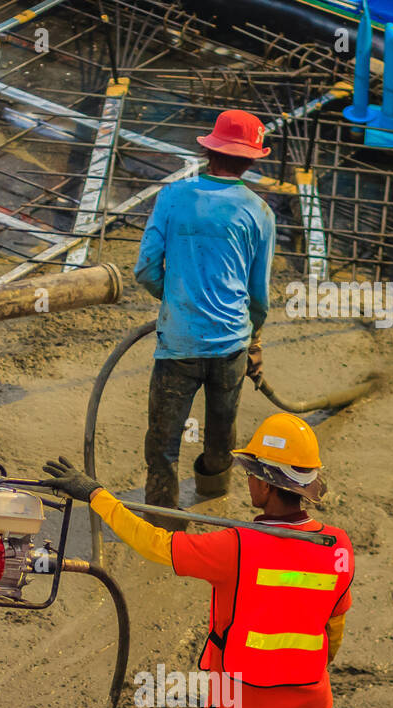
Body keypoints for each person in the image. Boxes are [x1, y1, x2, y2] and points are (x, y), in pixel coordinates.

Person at [41, 413, 354, 708]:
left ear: (265, 486)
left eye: (251, 475)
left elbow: (155, 544)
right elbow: (335, 629)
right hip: (307, 707)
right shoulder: (337, 546)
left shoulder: (237, 546)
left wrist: (96, 496)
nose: (247, 483)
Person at [134, 109, 277, 530]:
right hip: (232, 343)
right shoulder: (260, 213)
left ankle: (162, 522)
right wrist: (254, 341)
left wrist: (176, 298)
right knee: (221, 429)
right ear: (251, 161)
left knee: (163, 440)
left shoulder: (172, 198)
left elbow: (145, 269)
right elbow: (259, 296)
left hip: (178, 344)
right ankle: (214, 491)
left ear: (207, 150)